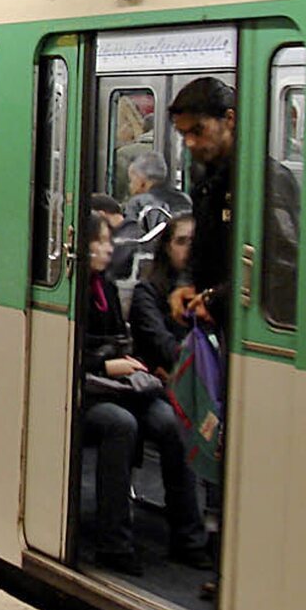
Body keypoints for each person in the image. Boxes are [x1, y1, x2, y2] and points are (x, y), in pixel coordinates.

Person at [81, 213, 209, 576]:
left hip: (123, 387)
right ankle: (114, 543)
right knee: (120, 425)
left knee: (171, 421)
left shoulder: (104, 288)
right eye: (101, 242)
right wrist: (108, 366)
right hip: (90, 392)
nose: (108, 249)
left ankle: (189, 537)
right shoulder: (143, 292)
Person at [168, 76, 301, 331]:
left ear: (229, 120)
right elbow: (202, 245)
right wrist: (187, 283)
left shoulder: (267, 180)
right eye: (183, 134)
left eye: (198, 130)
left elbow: (281, 266)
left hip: (255, 324)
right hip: (216, 321)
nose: (190, 143)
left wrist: (214, 299)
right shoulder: (205, 178)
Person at [129, 214, 195, 377]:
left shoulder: (208, 293)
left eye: (194, 242)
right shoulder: (146, 292)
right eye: (181, 241)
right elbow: (162, 344)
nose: (189, 248)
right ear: (167, 247)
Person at [123, 151, 191, 236]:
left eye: (131, 181)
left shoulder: (138, 203)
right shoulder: (185, 199)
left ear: (142, 180)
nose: (130, 186)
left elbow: (129, 238)